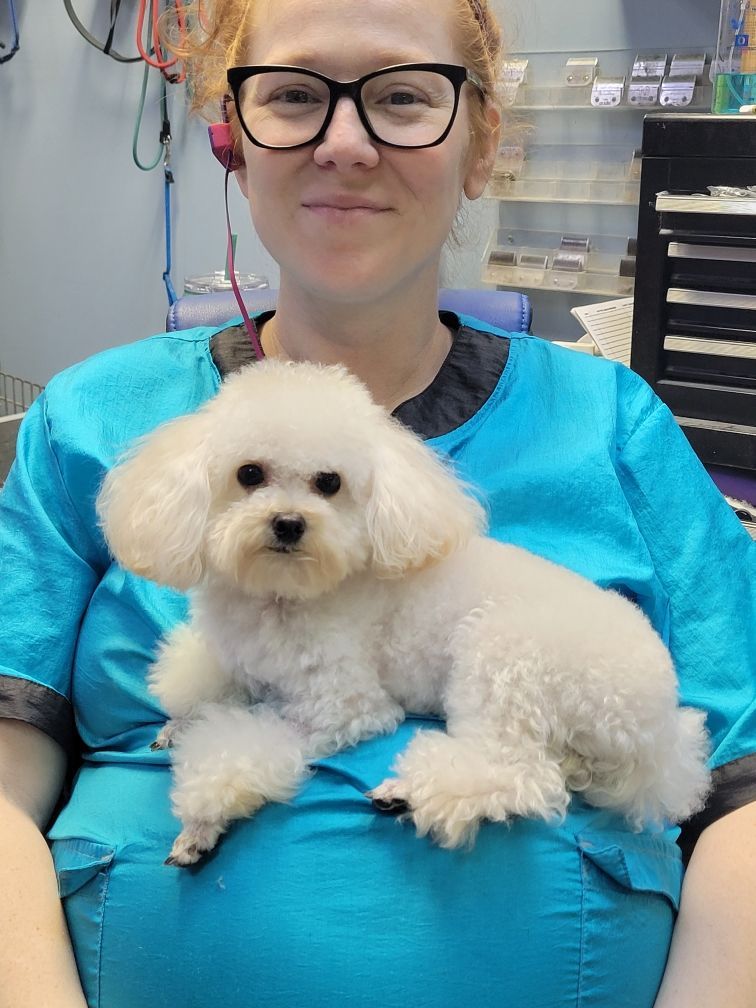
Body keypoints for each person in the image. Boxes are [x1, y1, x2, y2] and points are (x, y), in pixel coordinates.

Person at [0, 0, 754, 1006]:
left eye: (403, 97)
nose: (343, 144)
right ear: (234, 139)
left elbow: (743, 794)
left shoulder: (615, 426)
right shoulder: (92, 418)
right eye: (295, 95)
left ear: (481, 147)